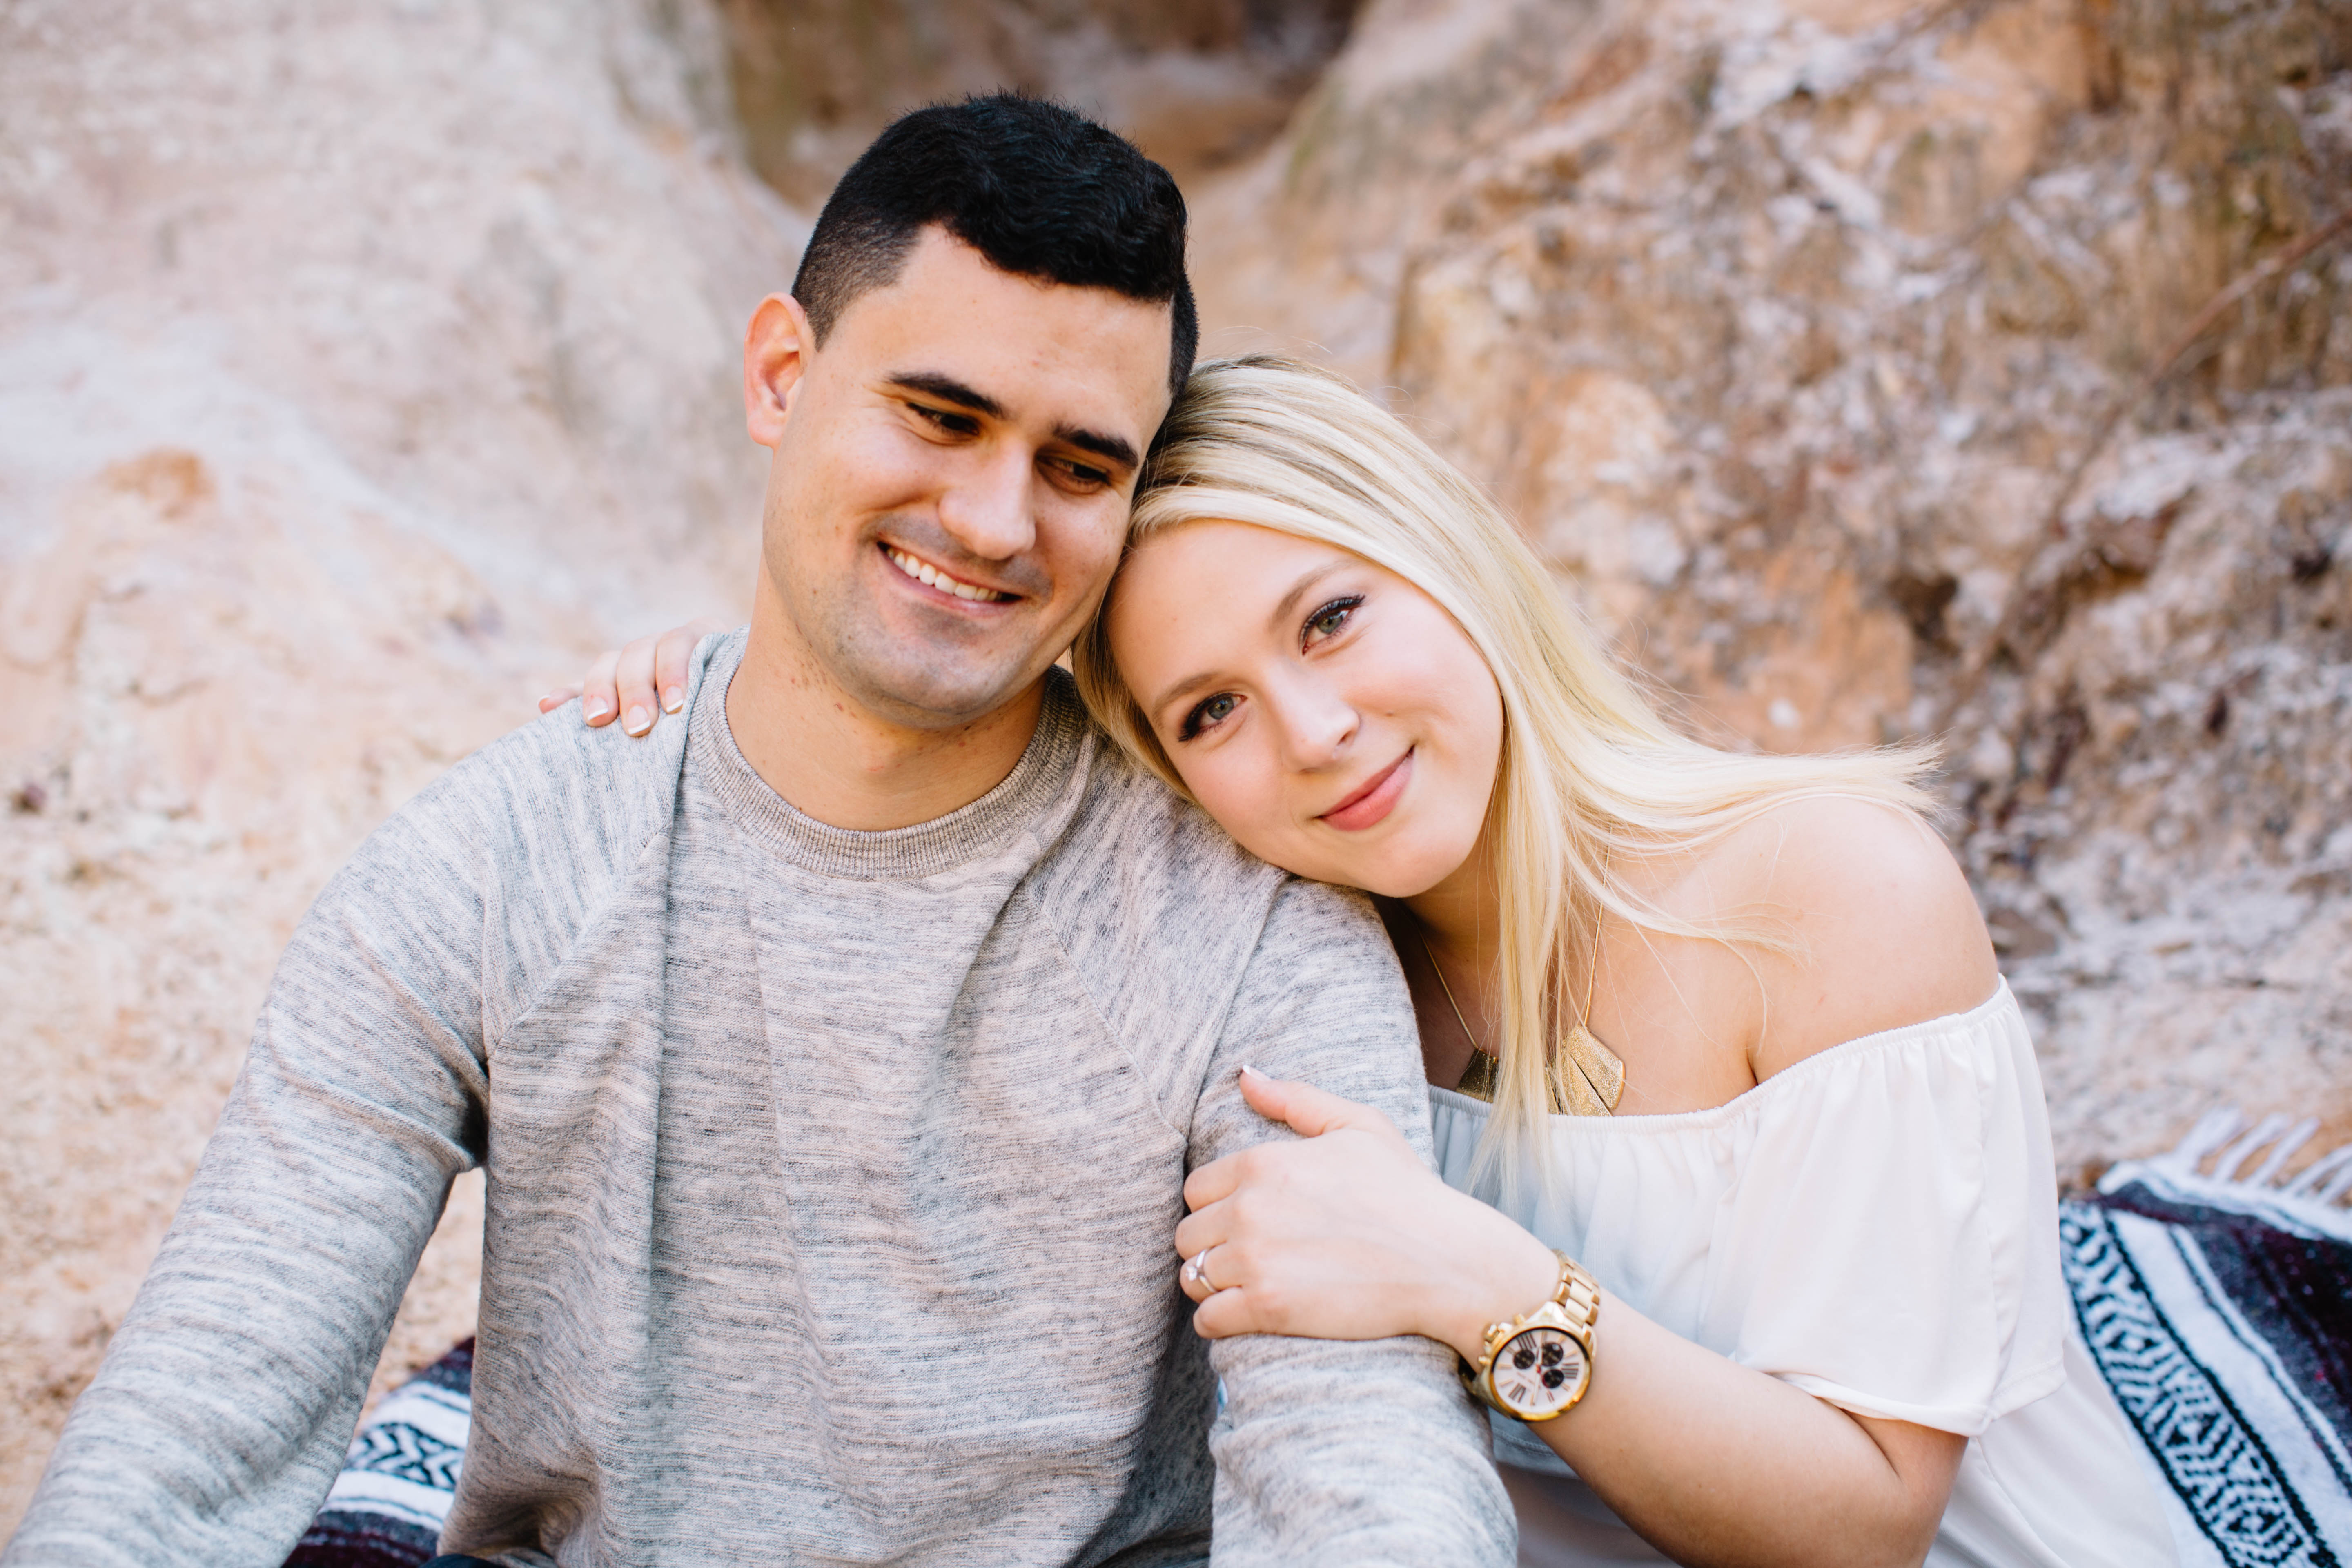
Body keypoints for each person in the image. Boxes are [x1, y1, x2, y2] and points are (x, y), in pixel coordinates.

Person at [1, 106, 1515, 1568]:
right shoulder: (502, 859)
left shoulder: (1250, 924)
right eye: (941, 416)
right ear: (782, 376)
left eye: (1079, 465)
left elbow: (1362, 1465)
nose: (996, 520)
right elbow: (206, 1401)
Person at [579, 356, 2178, 1567]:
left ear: (1446, 557)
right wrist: (751, 704)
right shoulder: (1283, 957)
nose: (1315, 732)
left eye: (1330, 618)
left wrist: (1474, 1283)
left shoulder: (1819, 898)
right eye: (1210, 710)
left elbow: (1871, 1521)